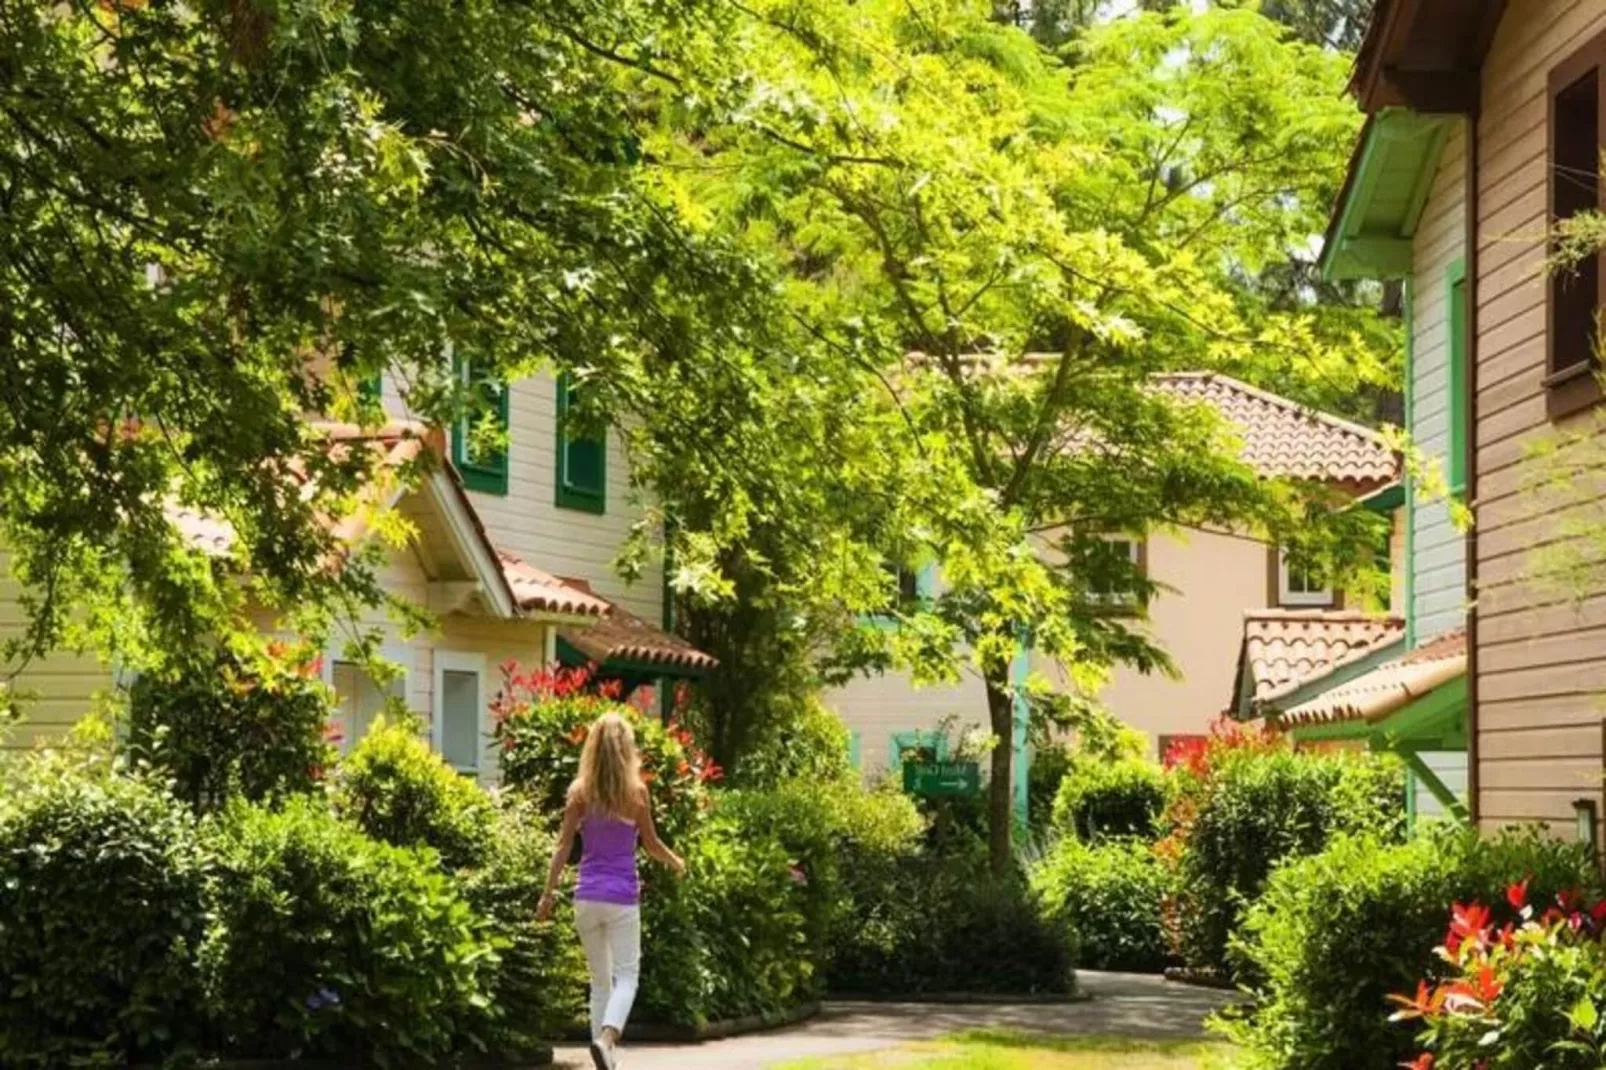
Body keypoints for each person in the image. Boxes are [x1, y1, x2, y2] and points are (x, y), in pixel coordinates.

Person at [538, 712, 686, 1070]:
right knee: (628, 977)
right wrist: (676, 861)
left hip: (586, 897)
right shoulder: (635, 794)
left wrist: (547, 894)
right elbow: (650, 844)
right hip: (621, 899)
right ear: (626, 750)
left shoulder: (579, 792)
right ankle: (606, 1040)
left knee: (600, 982)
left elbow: (562, 846)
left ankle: (603, 1059)